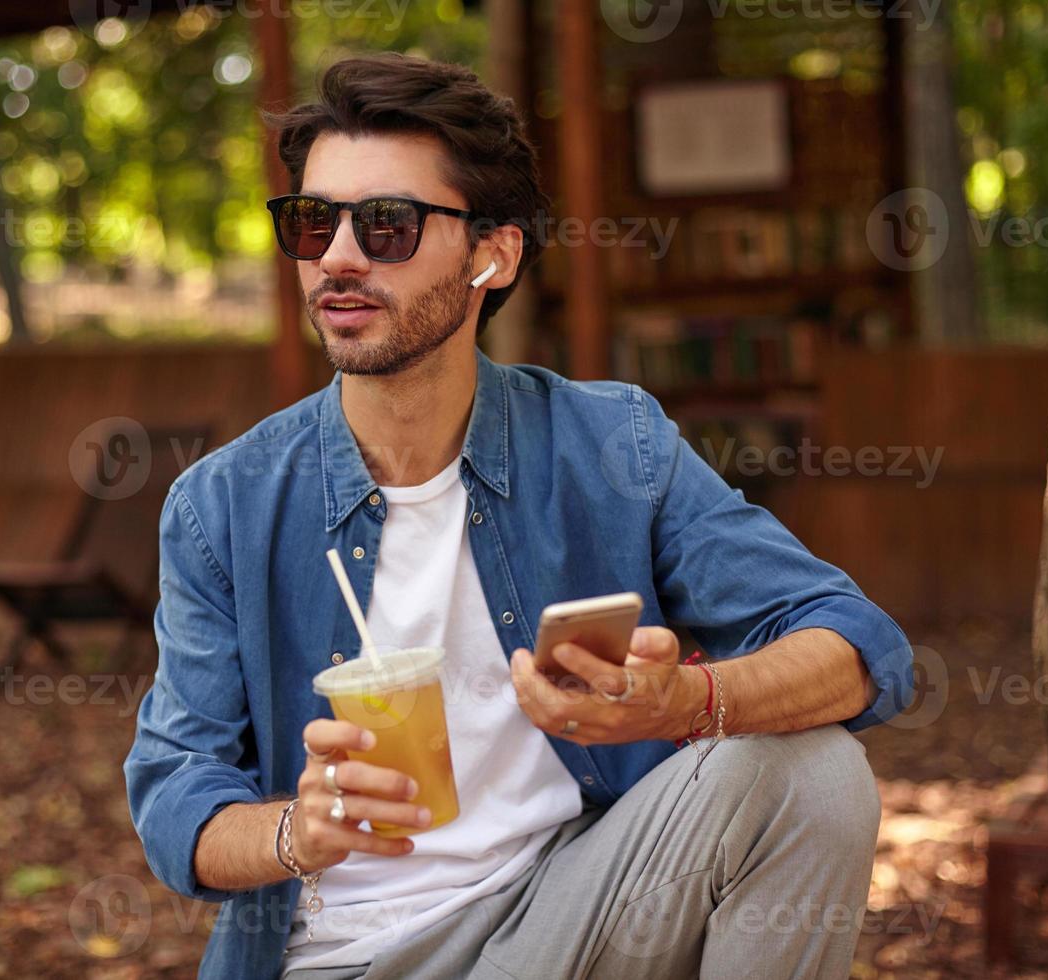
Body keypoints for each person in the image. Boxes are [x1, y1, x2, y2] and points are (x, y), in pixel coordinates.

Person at [124, 53, 914, 980]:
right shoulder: (224, 504)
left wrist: (691, 704)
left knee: (814, 774)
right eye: (313, 220)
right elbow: (178, 793)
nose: (337, 255)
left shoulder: (609, 443)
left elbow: (859, 646)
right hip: (339, 958)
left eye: (386, 225)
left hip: (565, 917)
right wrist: (301, 829)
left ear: (491, 256)